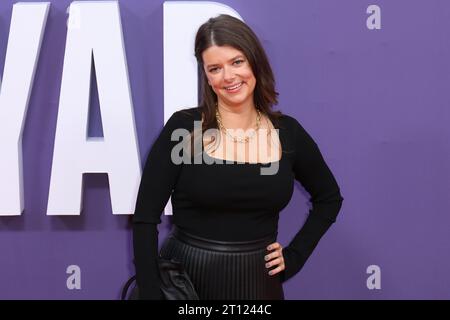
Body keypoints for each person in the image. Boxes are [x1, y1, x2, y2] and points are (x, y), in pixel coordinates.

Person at [132, 14, 343, 300]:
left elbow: (329, 198)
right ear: (205, 75)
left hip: (258, 285)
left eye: (237, 62)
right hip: (185, 284)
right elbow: (145, 218)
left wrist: (294, 257)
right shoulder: (184, 129)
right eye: (215, 68)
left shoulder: (287, 133)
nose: (228, 77)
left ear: (254, 61)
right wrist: (150, 291)